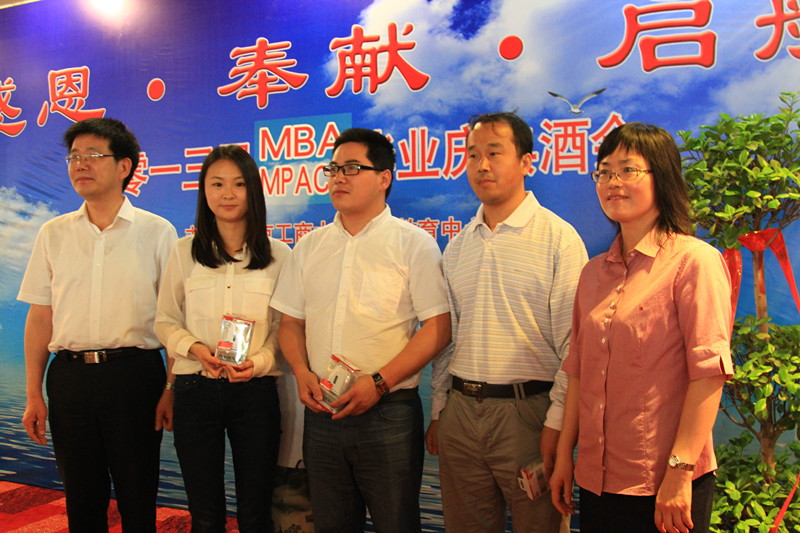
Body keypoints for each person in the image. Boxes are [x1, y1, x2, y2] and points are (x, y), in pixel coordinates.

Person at [549, 122, 733, 533]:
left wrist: (680, 471)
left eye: (628, 170)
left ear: (661, 177)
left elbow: (709, 375)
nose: (613, 182)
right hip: (597, 481)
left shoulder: (694, 262)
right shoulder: (592, 273)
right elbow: (578, 372)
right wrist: (565, 458)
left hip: (665, 483)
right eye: (604, 172)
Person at [270, 127, 451, 533]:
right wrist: (300, 371)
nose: (338, 177)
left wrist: (380, 383)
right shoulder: (310, 246)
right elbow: (291, 323)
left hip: (388, 414)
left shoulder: (413, 243)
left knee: (396, 523)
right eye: (333, 169)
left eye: (352, 168)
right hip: (323, 413)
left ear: (384, 177)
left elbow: (438, 328)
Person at [426, 111, 588, 533]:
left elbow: (575, 347)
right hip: (461, 413)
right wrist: (440, 410)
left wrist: (557, 423)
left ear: (527, 162)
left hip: (529, 415)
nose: (481, 165)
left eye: (494, 153)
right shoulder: (458, 246)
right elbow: (449, 340)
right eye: (472, 155)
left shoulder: (559, 239)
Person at [17, 117, 178, 532]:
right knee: (81, 496)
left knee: (138, 494)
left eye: (93, 155)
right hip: (69, 378)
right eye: (74, 157)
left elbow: (174, 319)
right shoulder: (53, 233)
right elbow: (40, 316)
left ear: (125, 166)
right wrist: (34, 393)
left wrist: (170, 388)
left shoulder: (157, 232)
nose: (81, 165)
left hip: (135, 377)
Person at [154, 145, 289, 532]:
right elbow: (165, 320)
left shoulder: (280, 255)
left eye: (238, 184)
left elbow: (284, 329)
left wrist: (258, 363)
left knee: (255, 512)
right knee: (205, 513)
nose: (227, 194)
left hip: (255, 392)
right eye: (217, 184)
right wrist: (195, 349)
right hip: (195, 389)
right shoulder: (183, 252)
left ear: (254, 191)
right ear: (204, 191)